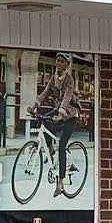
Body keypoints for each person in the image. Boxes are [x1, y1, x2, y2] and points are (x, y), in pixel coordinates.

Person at [30, 52, 81, 194]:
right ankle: (50, 150)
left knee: (63, 145)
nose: (58, 63)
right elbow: (45, 93)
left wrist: (61, 113)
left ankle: (60, 183)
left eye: (61, 61)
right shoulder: (53, 79)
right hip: (59, 111)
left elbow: (66, 97)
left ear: (66, 64)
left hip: (70, 114)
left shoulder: (69, 80)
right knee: (45, 120)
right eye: (57, 61)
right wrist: (34, 106)